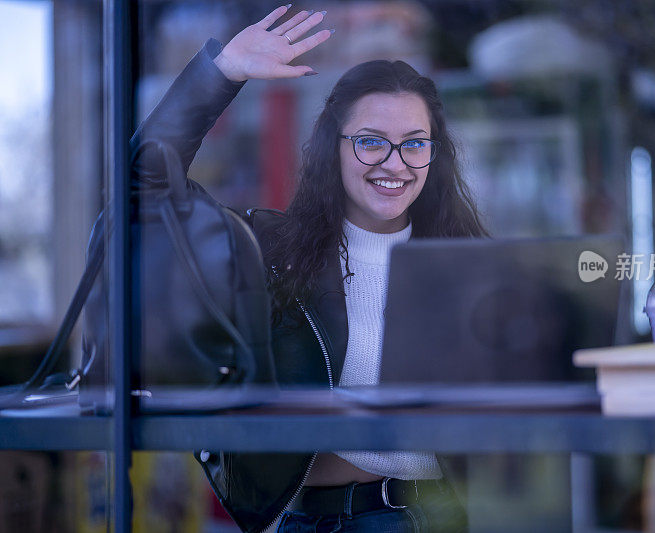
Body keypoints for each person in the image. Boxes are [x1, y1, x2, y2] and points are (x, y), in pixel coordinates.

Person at [133, 5, 486, 532]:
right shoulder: (273, 251)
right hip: (307, 522)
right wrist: (221, 71)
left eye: (414, 144)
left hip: (433, 517)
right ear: (332, 148)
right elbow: (143, 190)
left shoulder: (466, 261)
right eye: (371, 141)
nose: (395, 162)